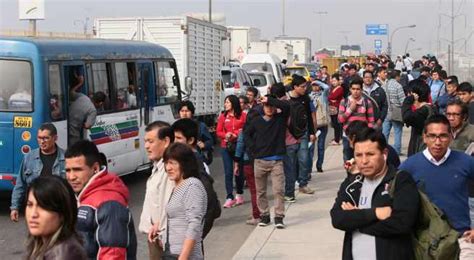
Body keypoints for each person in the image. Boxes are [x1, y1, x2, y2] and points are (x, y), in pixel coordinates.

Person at [331, 127, 420, 260]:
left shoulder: (400, 180)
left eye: (370, 154)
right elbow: (338, 218)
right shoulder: (352, 184)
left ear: (384, 154)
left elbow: (401, 223)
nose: (364, 161)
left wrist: (357, 221)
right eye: (358, 155)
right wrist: (375, 213)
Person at [399, 115, 474, 259]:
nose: (437, 142)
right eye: (432, 136)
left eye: (443, 136)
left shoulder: (466, 162)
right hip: (425, 242)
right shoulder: (409, 167)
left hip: (462, 239)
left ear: (451, 136)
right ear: (424, 137)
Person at [65, 140, 137, 259]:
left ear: (95, 168)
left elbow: (113, 254)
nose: (71, 177)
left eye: (78, 170)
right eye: (68, 170)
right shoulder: (84, 195)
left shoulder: (109, 203)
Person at [244, 94, 290, 228]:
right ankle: (264, 216)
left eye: (272, 106)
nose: (269, 108)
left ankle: (279, 217)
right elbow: (246, 134)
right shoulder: (256, 121)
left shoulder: (280, 119)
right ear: (262, 107)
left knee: (278, 190)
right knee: (261, 191)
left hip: (276, 161)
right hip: (259, 161)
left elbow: (286, 106)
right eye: (266, 106)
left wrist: (270, 100)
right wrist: (253, 149)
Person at [11, 123, 65, 222]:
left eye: (45, 138)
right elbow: (20, 184)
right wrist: (14, 207)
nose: (41, 142)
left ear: (55, 138)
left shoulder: (65, 158)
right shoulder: (29, 158)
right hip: (36, 210)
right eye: (39, 138)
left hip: (58, 211)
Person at [25, 176, 87, 260]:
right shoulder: (41, 244)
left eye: (43, 207)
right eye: (30, 205)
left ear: (63, 213)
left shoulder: (66, 253)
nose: (33, 214)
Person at [164, 143, 207, 260]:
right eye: (166, 163)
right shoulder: (178, 186)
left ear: (184, 164)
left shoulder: (192, 185)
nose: (168, 168)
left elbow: (194, 224)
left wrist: (183, 257)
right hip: (174, 253)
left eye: (173, 163)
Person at [139, 121, 175, 260]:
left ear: (166, 141)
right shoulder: (158, 167)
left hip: (163, 240)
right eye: (145, 141)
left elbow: (169, 206)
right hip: (156, 236)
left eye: (150, 141)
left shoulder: (170, 169)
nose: (146, 146)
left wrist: (163, 234)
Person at [287, 75, 316, 195]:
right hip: (289, 135)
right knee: (291, 161)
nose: (305, 89)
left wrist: (312, 132)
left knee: (304, 159)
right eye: (302, 87)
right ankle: (291, 183)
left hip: (303, 133)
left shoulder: (305, 99)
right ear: (295, 87)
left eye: (306, 86)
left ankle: (303, 184)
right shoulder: (286, 99)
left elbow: (309, 116)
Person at [216, 95, 247, 208]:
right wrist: (226, 135)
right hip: (226, 147)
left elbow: (247, 130)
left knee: (239, 171)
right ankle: (229, 196)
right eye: (225, 102)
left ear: (233, 103)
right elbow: (218, 131)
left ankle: (239, 193)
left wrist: (237, 135)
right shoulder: (223, 116)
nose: (226, 104)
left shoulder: (243, 116)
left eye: (228, 102)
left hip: (239, 147)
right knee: (228, 172)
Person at [338, 78, 375, 161]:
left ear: (361, 90)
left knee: (361, 160)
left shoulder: (367, 102)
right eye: (353, 89)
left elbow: (371, 121)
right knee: (348, 160)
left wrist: (368, 133)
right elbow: (340, 119)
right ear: (350, 89)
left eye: (358, 89)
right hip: (347, 137)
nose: (355, 91)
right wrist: (350, 109)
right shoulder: (344, 102)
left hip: (362, 137)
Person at [402, 79, 434, 156]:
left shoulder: (424, 110)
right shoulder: (426, 108)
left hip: (421, 152)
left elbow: (406, 117)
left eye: (409, 94)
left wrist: (408, 100)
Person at [382, 69, 406, 155]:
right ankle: (397, 151)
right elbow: (403, 101)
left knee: (385, 132)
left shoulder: (384, 85)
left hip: (386, 112)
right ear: (397, 76)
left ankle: (383, 149)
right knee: (397, 131)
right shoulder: (398, 86)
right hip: (396, 111)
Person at [309, 80, 330, 172]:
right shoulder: (309, 96)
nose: (315, 87)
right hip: (312, 124)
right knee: (311, 147)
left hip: (322, 124)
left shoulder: (323, 95)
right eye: (313, 85)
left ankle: (319, 165)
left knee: (321, 146)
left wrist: (317, 81)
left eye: (317, 85)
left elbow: (327, 87)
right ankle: (309, 167)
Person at [328, 73, 344, 145]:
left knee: (337, 124)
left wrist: (332, 99)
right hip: (332, 108)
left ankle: (338, 139)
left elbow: (332, 97)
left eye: (335, 81)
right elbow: (330, 97)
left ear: (338, 81)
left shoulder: (340, 88)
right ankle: (337, 138)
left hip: (337, 108)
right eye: (332, 81)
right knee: (334, 124)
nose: (333, 82)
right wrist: (331, 99)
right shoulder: (332, 88)